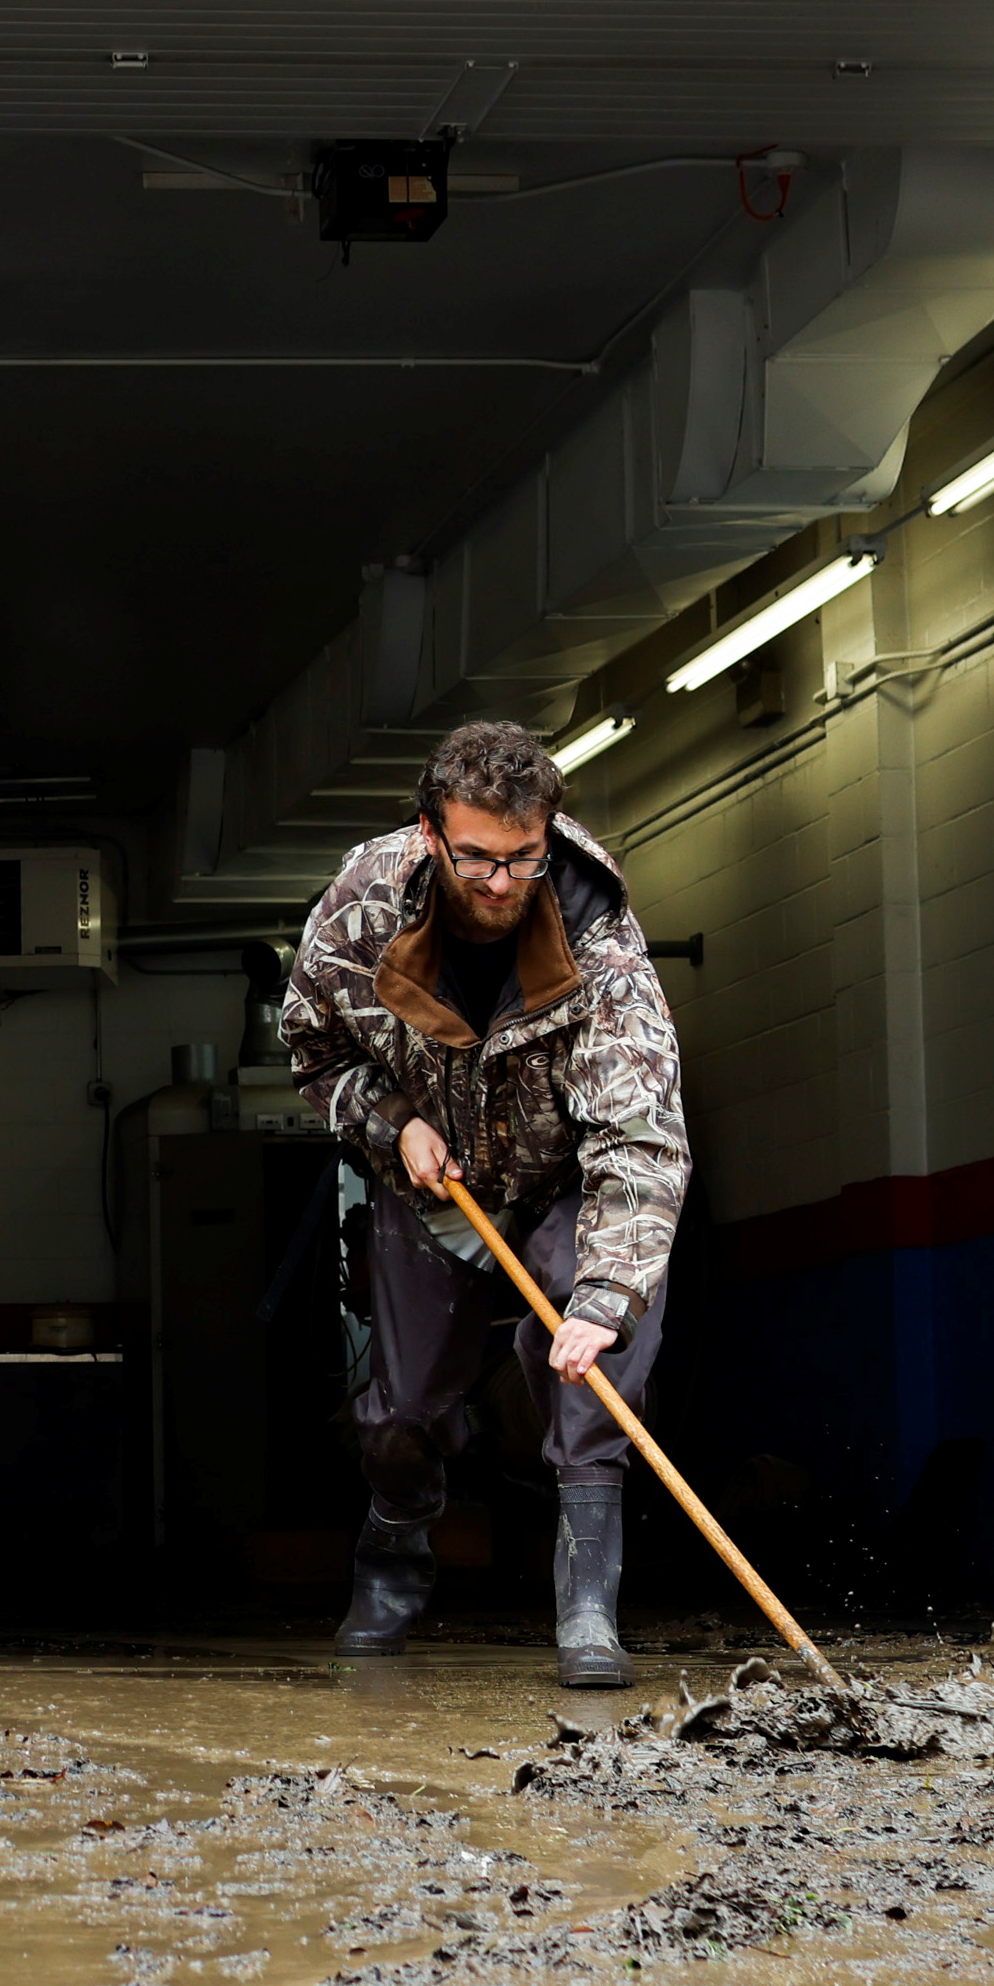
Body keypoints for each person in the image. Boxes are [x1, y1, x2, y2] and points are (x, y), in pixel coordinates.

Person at [277, 717, 692, 1687]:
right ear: (429, 835)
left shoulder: (599, 938)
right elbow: (312, 1049)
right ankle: (391, 1561)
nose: (501, 882)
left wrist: (601, 1299)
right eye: (476, 859)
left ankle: (586, 1605)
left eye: (521, 858)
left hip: (566, 1183)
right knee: (400, 1411)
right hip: (432, 1179)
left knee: (602, 1365)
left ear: (546, 834)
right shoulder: (363, 907)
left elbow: (638, 1138)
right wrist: (391, 1123)